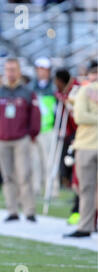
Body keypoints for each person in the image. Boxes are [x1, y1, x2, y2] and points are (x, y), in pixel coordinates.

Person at [0, 58, 41, 222]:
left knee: (24, 175)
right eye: (8, 69)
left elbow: (35, 115)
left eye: (13, 69)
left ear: (19, 71)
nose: (10, 73)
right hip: (2, 139)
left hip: (21, 139)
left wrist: (31, 134)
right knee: (7, 176)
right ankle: (12, 210)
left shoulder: (26, 92)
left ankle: (29, 210)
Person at [64, 62, 97, 237]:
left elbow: (80, 115)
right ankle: (89, 225)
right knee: (87, 187)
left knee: (85, 187)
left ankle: (86, 226)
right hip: (86, 144)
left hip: (86, 145)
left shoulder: (84, 91)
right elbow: (78, 114)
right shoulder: (83, 91)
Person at [30, 57, 57, 196]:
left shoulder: (54, 87)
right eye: (39, 69)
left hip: (49, 128)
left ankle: (51, 189)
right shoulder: (31, 87)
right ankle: (35, 188)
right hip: (35, 130)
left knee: (49, 161)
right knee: (35, 162)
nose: (41, 72)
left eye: (44, 69)